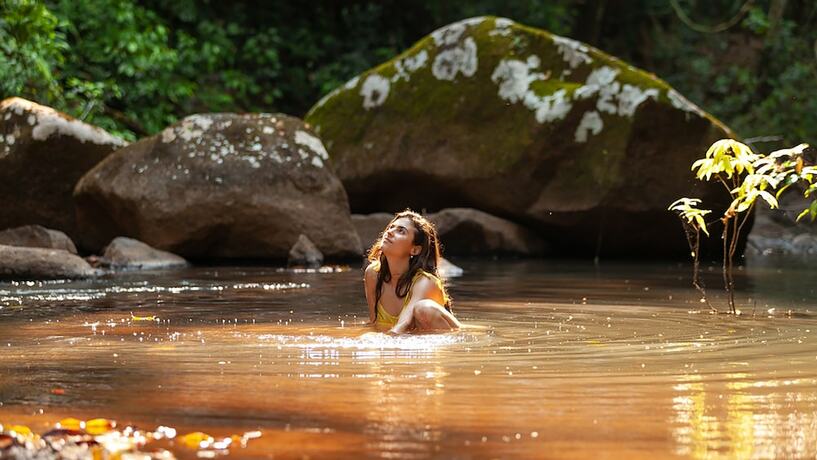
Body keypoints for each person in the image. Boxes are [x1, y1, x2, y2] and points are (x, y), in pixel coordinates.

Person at [363, 210, 461, 334]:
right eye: (391, 227)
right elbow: (374, 324)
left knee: (424, 308)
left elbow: (403, 324)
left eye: (401, 231)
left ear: (415, 250)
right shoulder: (373, 274)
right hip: (406, 343)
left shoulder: (425, 282)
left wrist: (378, 342)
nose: (389, 232)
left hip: (447, 338)